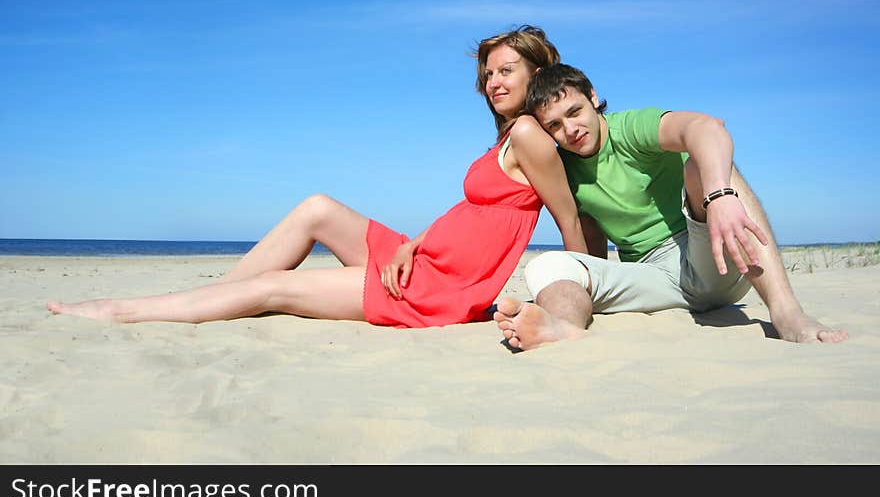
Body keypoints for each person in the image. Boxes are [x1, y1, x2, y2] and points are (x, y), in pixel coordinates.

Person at [47, 26, 587, 328]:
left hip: (434, 290)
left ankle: (121, 310)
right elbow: (473, 215)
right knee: (317, 208)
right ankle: (207, 298)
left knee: (275, 288)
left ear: (537, 73)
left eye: (506, 70)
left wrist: (581, 294)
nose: (493, 80)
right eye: (488, 72)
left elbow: (568, 219)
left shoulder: (530, 136)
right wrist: (411, 244)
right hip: (421, 261)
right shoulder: (507, 136)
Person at [493, 63, 848, 349]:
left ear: (593, 98)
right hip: (653, 279)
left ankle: (786, 312)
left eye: (575, 112)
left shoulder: (629, 128)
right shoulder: (565, 169)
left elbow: (707, 127)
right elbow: (587, 245)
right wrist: (581, 279)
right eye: (555, 125)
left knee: (707, 166)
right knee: (547, 265)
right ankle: (562, 328)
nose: (571, 129)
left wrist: (720, 196)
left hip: (714, 256)